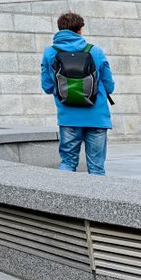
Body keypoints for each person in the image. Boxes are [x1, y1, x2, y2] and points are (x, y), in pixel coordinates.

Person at [39, 12, 115, 175]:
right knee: (96, 168)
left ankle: (64, 192)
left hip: (68, 117)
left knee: (68, 163)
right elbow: (109, 86)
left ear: (60, 29)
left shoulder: (50, 52)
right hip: (97, 117)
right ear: (80, 30)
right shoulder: (95, 51)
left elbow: (47, 86)